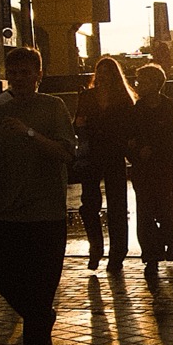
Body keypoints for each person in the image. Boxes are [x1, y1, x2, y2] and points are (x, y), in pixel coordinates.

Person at [0, 46, 76, 345]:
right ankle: (41, 319)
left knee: (39, 290)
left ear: (38, 75)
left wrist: (29, 133)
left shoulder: (53, 107)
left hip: (46, 217)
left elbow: (66, 153)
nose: (19, 78)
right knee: (6, 284)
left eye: (25, 72)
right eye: (13, 72)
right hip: (6, 219)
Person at [126, 64, 173, 280]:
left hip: (167, 171)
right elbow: (128, 142)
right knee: (145, 215)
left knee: (166, 212)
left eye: (143, 81)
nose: (139, 86)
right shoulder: (135, 112)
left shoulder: (172, 108)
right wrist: (137, 152)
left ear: (156, 84)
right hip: (143, 172)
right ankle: (151, 256)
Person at [73, 56, 136, 272]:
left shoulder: (123, 99)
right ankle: (96, 248)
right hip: (92, 155)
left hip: (114, 154)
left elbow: (128, 128)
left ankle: (117, 254)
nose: (102, 77)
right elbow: (78, 124)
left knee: (117, 207)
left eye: (107, 72)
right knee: (89, 205)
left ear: (115, 76)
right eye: (99, 72)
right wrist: (81, 126)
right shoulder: (87, 96)